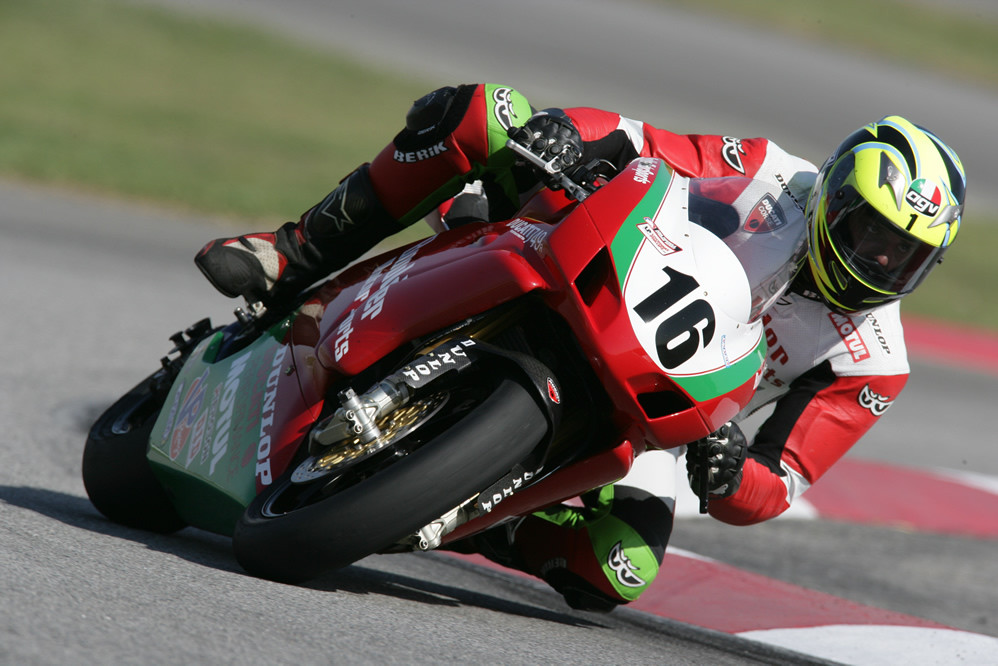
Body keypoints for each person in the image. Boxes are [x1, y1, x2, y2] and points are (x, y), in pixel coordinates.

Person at [195, 83, 966, 611]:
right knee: (485, 112)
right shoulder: (772, 173)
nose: (877, 264)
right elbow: (641, 139)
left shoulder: (873, 362)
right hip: (598, 262)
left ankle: (475, 509)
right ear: (834, 196)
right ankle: (293, 249)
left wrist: (732, 477)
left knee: (620, 567)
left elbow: (786, 476)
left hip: (663, 415)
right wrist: (572, 132)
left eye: (904, 258)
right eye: (870, 234)